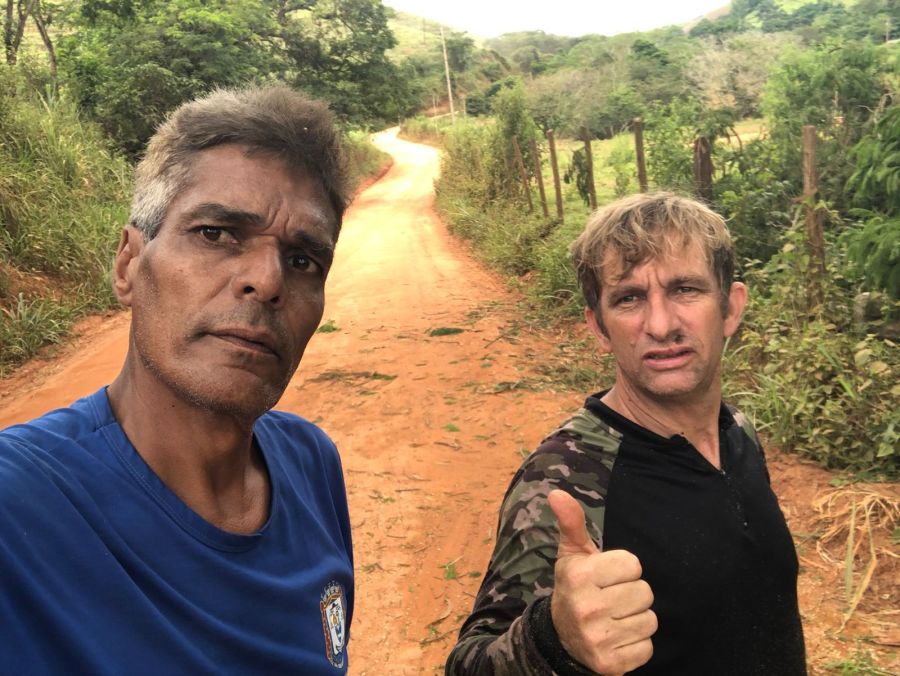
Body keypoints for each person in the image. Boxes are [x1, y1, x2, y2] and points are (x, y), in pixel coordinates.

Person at [0, 86, 354, 674]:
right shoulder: (19, 508)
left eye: (303, 260)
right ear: (128, 264)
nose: (267, 281)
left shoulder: (312, 463)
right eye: (216, 233)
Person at [446, 192, 806, 675]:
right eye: (629, 299)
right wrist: (552, 640)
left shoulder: (738, 431)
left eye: (685, 289)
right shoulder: (565, 479)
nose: (660, 325)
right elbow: (468, 663)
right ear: (599, 327)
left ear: (730, 308)